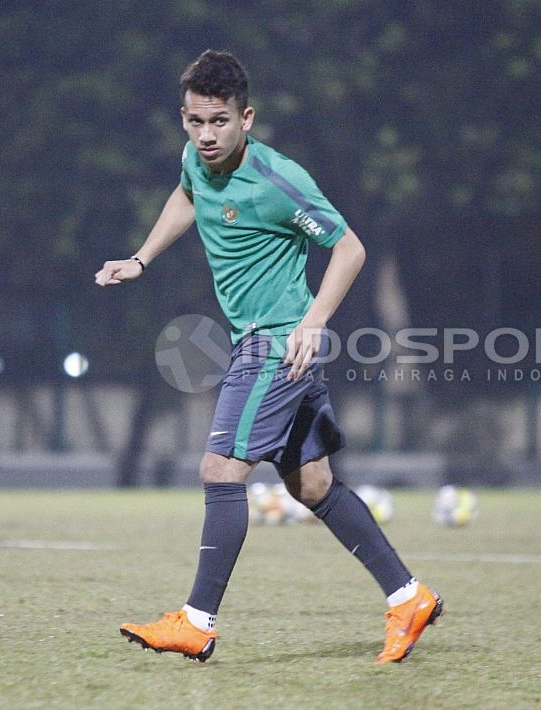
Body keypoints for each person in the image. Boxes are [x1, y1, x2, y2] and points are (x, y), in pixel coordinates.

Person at [94, 50, 441, 663]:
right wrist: (141, 258)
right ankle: (408, 596)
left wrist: (312, 322)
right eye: (195, 121)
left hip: (276, 341)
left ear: (246, 118)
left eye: (219, 122)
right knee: (313, 485)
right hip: (267, 339)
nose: (206, 135)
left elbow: (350, 249)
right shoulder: (195, 161)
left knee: (220, 470)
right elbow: (185, 196)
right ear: (184, 118)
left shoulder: (281, 182)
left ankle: (195, 622)